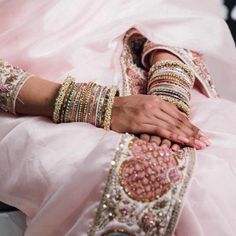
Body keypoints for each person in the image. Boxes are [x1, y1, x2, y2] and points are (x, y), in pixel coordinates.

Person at [0, 0, 236, 235]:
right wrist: (102, 106)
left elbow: (170, 12)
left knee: (216, 159)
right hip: (30, 100)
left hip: (133, 68)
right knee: (137, 176)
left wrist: (168, 94)